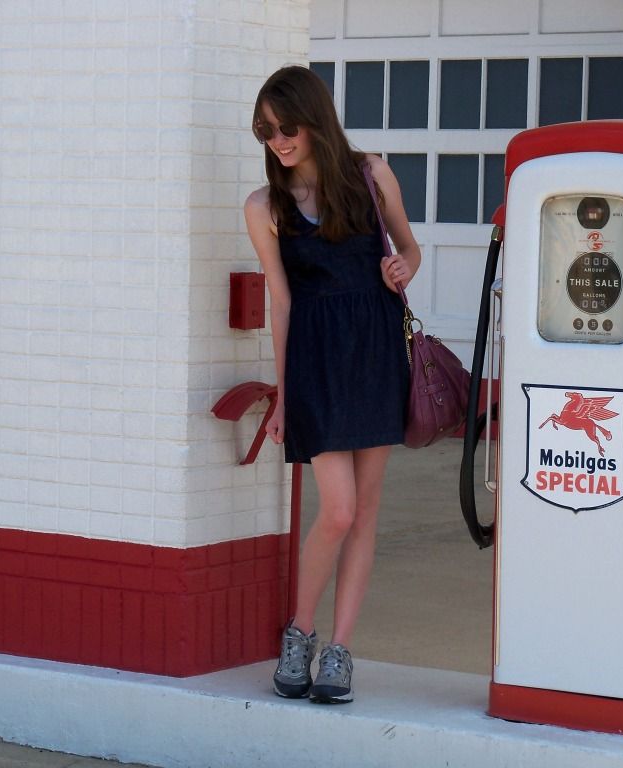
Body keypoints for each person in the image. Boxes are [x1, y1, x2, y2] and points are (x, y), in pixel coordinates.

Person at [243, 65, 421, 704]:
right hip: (316, 364)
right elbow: (282, 303)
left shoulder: (371, 175)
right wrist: (286, 395)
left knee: (364, 511)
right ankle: (301, 630)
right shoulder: (264, 207)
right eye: (264, 130)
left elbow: (410, 249)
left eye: (286, 127)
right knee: (336, 510)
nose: (277, 141)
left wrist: (404, 265)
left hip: (374, 355)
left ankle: (340, 650)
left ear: (314, 119)